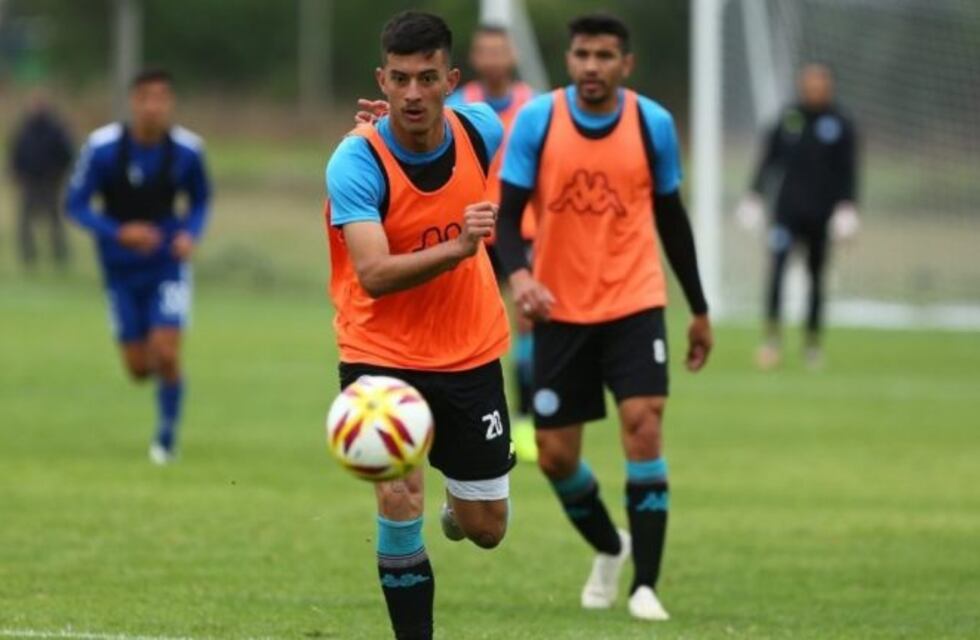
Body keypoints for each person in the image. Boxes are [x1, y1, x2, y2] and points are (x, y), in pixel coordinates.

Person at [494, 13, 713, 621]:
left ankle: (646, 585)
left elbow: (672, 218)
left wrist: (698, 308)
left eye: (605, 56)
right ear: (570, 61)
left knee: (644, 424)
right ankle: (610, 547)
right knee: (557, 456)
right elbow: (508, 216)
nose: (593, 66)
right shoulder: (539, 118)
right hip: (561, 309)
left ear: (626, 64)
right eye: (583, 55)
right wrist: (520, 276)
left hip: (636, 301)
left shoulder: (652, 124)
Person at [324, 12, 512, 640]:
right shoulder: (356, 162)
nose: (411, 93)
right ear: (381, 79)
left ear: (451, 80)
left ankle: (457, 506)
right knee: (396, 496)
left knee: (487, 529)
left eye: (425, 78)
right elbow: (373, 273)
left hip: (469, 347)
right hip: (380, 350)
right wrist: (459, 249)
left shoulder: (483, 130)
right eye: (399, 79)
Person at [65, 69, 211, 465]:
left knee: (166, 353)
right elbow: (74, 205)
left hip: (167, 265)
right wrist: (118, 232)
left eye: (162, 98)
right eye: (146, 97)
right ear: (133, 102)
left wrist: (189, 235)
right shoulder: (103, 148)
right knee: (138, 369)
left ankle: (165, 438)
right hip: (120, 271)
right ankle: (154, 375)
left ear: (170, 103)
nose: (154, 106)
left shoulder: (187, 150)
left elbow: (200, 201)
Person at [446, 23, 537, 462]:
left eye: (500, 49)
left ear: (512, 54)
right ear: (475, 58)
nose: (493, 57)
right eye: (485, 50)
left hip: (523, 230)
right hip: (473, 229)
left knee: (527, 322)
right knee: (470, 322)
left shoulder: (534, 106)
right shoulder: (458, 106)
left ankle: (525, 418)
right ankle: (469, 414)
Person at [735, 63, 859, 369]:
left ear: (829, 86)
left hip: (821, 215)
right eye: (809, 83)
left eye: (820, 83)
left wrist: (847, 206)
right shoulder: (788, 119)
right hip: (786, 213)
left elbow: (849, 170)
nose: (814, 88)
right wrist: (754, 195)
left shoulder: (841, 124)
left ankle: (812, 344)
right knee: (776, 272)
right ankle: (772, 340)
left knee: (816, 278)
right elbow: (768, 161)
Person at [7, 88, 74, 269]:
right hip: (29, 180)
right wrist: (15, 172)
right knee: (25, 221)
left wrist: (59, 173)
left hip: (50, 181)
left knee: (54, 220)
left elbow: (67, 154)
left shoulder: (56, 129)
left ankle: (59, 255)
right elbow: (16, 153)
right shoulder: (24, 129)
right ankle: (28, 256)